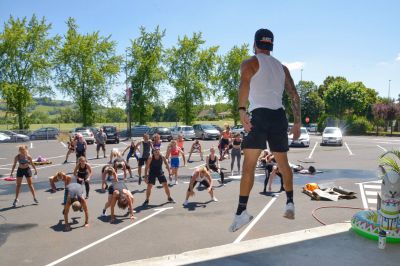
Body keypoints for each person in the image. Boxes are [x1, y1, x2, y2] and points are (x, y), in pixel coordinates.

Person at [229, 28, 301, 232]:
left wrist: (242, 110)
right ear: (272, 45)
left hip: (259, 116)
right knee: (284, 164)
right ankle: (290, 203)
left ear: (255, 44)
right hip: (279, 116)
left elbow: (244, 84)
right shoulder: (282, 68)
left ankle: (241, 212)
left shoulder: (250, 62)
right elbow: (294, 95)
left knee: (249, 166)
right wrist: (297, 123)